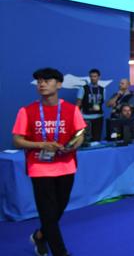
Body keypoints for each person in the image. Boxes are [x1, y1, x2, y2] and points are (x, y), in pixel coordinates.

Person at [12, 68, 86, 256]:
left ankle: (40, 236)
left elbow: (80, 135)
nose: (42, 84)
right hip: (39, 167)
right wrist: (41, 144)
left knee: (57, 210)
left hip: (66, 165)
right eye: (39, 81)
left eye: (46, 80)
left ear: (59, 84)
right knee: (48, 214)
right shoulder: (26, 111)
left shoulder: (72, 110)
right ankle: (61, 252)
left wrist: (73, 146)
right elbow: (17, 140)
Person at [76, 68, 105, 142]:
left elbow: (103, 102)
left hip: (98, 117)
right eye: (91, 76)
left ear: (99, 77)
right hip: (86, 117)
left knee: (97, 138)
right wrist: (76, 116)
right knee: (85, 139)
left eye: (95, 76)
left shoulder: (103, 89)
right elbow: (78, 103)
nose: (93, 78)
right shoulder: (83, 88)